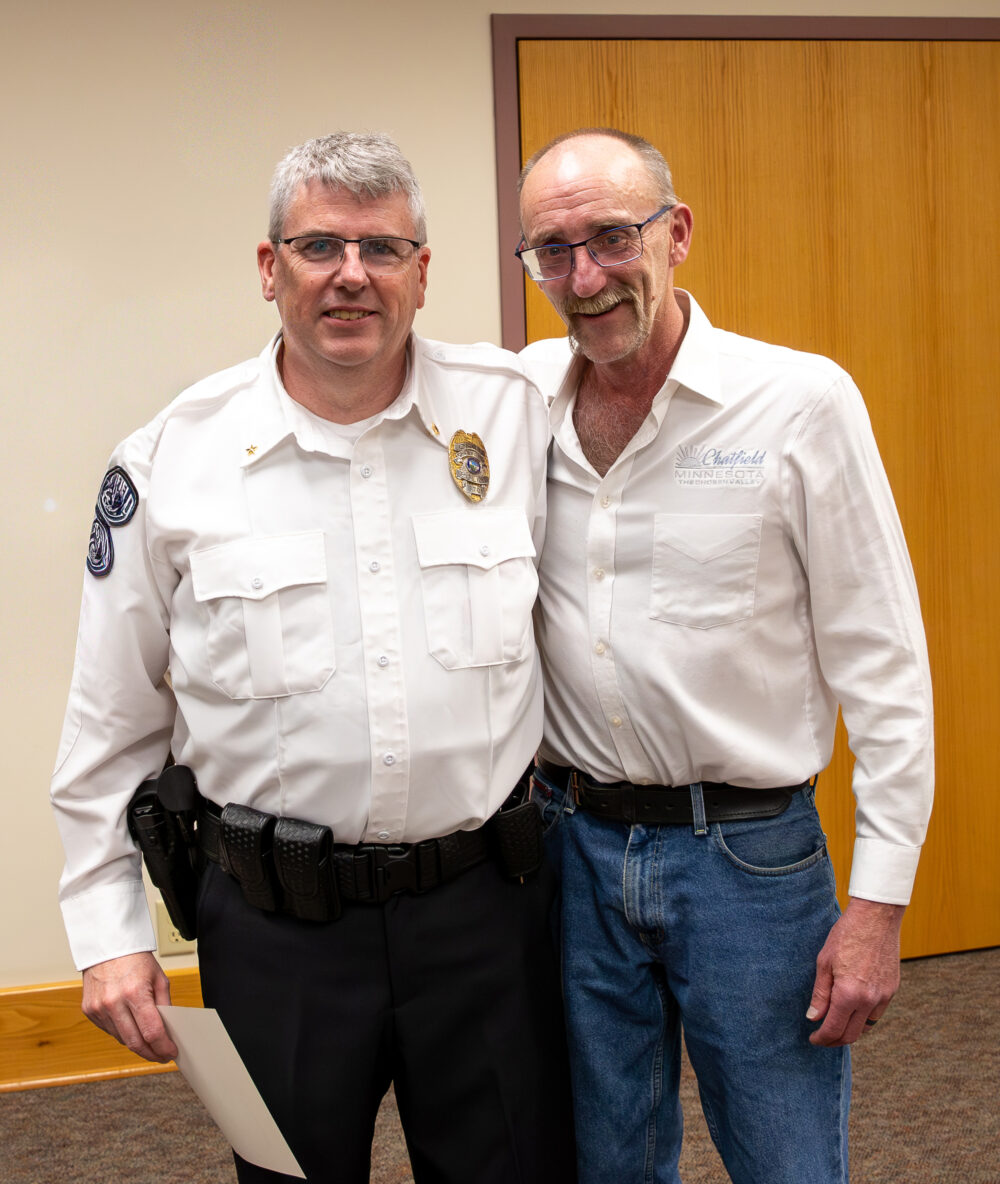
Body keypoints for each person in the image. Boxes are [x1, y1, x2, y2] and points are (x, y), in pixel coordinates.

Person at [50, 132, 575, 1184]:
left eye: (382, 250)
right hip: (276, 931)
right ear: (267, 267)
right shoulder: (170, 461)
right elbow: (110, 723)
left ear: (423, 274)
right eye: (318, 245)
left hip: (485, 913)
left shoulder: (516, 417)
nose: (350, 275)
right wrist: (106, 929)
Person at [515, 127, 933, 1184]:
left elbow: (883, 667)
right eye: (552, 251)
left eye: (611, 237)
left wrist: (878, 907)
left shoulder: (797, 401)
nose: (585, 276)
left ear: (677, 233)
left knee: (785, 1159)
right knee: (604, 1160)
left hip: (747, 860)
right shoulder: (515, 403)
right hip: (572, 850)